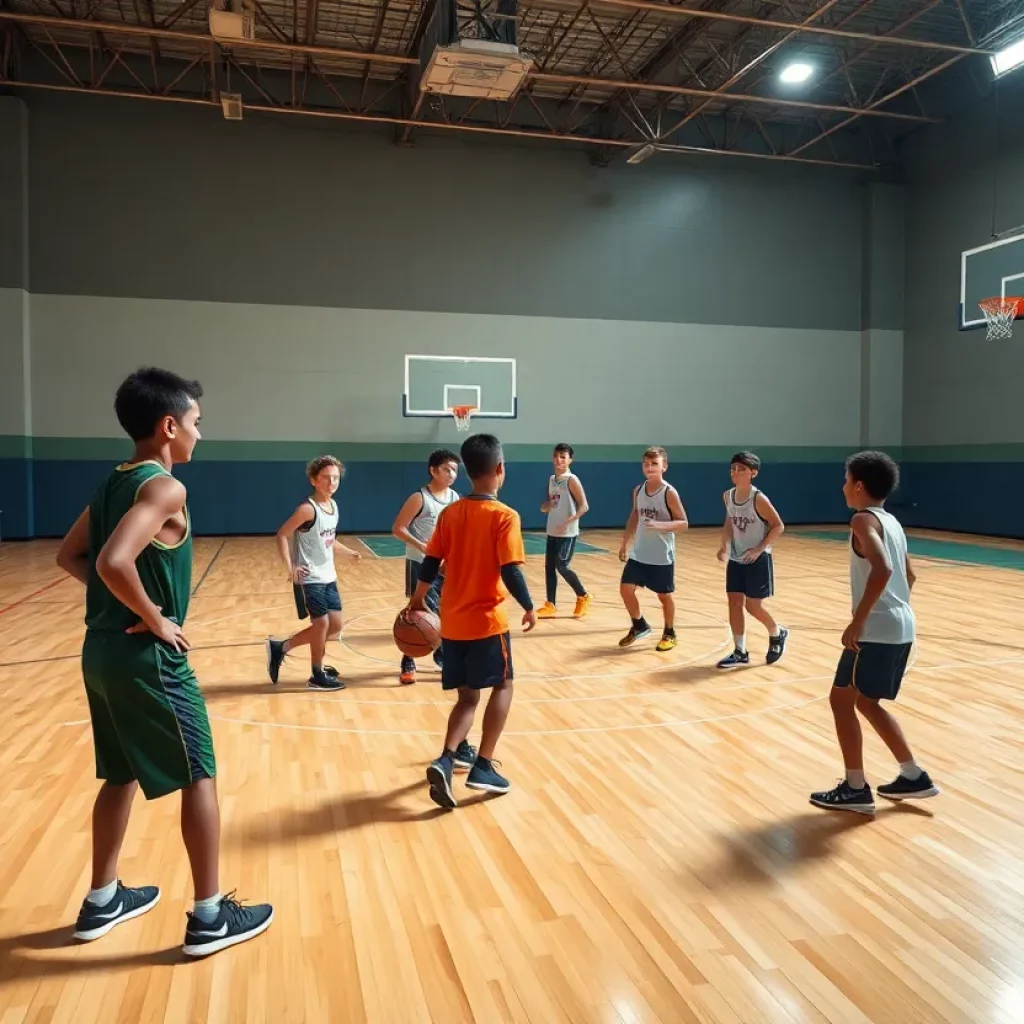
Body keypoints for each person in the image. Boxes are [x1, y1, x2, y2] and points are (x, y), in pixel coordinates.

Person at [56, 366, 273, 957]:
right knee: (199, 772)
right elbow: (111, 562)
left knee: (120, 773)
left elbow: (70, 554)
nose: (201, 434)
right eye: (197, 423)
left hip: (99, 653)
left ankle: (102, 899)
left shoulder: (112, 482)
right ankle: (209, 918)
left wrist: (116, 604)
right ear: (169, 425)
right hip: (148, 659)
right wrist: (154, 617)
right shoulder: (164, 487)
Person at [404, 433, 537, 809]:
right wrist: (528, 605)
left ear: (466, 471)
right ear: (500, 470)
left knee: (467, 698)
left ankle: (446, 759)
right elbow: (511, 570)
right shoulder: (504, 515)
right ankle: (482, 765)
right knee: (505, 684)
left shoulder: (450, 512)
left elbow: (430, 562)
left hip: (452, 623)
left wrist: (417, 599)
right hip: (486, 622)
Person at [810, 450, 939, 815]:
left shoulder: (862, 522)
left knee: (842, 701)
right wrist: (892, 611)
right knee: (865, 702)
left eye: (846, 480)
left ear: (859, 485)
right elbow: (908, 576)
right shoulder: (892, 522)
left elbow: (881, 570)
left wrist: (859, 621)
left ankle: (855, 788)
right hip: (900, 625)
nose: (843, 487)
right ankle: (913, 776)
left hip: (875, 630)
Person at [265, 456, 362, 690]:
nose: (332, 483)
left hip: (329, 575)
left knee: (335, 626)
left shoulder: (333, 506)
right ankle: (316, 674)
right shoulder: (307, 509)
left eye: (336, 478)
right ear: (314, 480)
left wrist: (349, 552)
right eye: (326, 478)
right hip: (310, 577)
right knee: (321, 624)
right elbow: (282, 534)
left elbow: (328, 540)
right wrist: (291, 568)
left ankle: (282, 647)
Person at [391, 448, 460, 685]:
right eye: (446, 469)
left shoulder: (455, 499)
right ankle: (408, 660)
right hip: (421, 564)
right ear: (433, 470)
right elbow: (398, 528)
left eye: (455, 470)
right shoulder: (419, 498)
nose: (451, 474)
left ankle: (443, 658)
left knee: (446, 614)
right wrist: (423, 547)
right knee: (420, 612)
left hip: (445, 567)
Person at [715, 451, 789, 668]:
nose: (736, 472)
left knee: (753, 606)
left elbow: (778, 526)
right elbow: (730, 521)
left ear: (753, 473)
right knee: (734, 602)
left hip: (757, 558)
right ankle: (740, 651)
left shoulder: (758, 499)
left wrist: (758, 549)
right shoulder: (728, 496)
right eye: (733, 469)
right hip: (737, 558)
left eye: (741, 469)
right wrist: (724, 546)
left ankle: (777, 632)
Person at [617, 447, 688, 650]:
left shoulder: (669, 493)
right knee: (625, 589)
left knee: (664, 596)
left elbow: (683, 523)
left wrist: (660, 525)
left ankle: (669, 632)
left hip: (661, 555)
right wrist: (624, 542)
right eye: (646, 464)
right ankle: (639, 625)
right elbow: (635, 515)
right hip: (640, 552)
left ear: (664, 466)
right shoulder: (638, 490)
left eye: (654, 464)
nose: (650, 468)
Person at [536, 442, 591, 620]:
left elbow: (584, 506)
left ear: (570, 460)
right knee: (549, 568)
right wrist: (545, 506)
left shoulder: (571, 480)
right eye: (556, 455)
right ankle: (550, 604)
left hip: (567, 532)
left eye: (563, 456)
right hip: (552, 529)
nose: (559, 459)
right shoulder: (552, 479)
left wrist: (569, 521)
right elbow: (550, 504)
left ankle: (583, 595)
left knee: (562, 565)